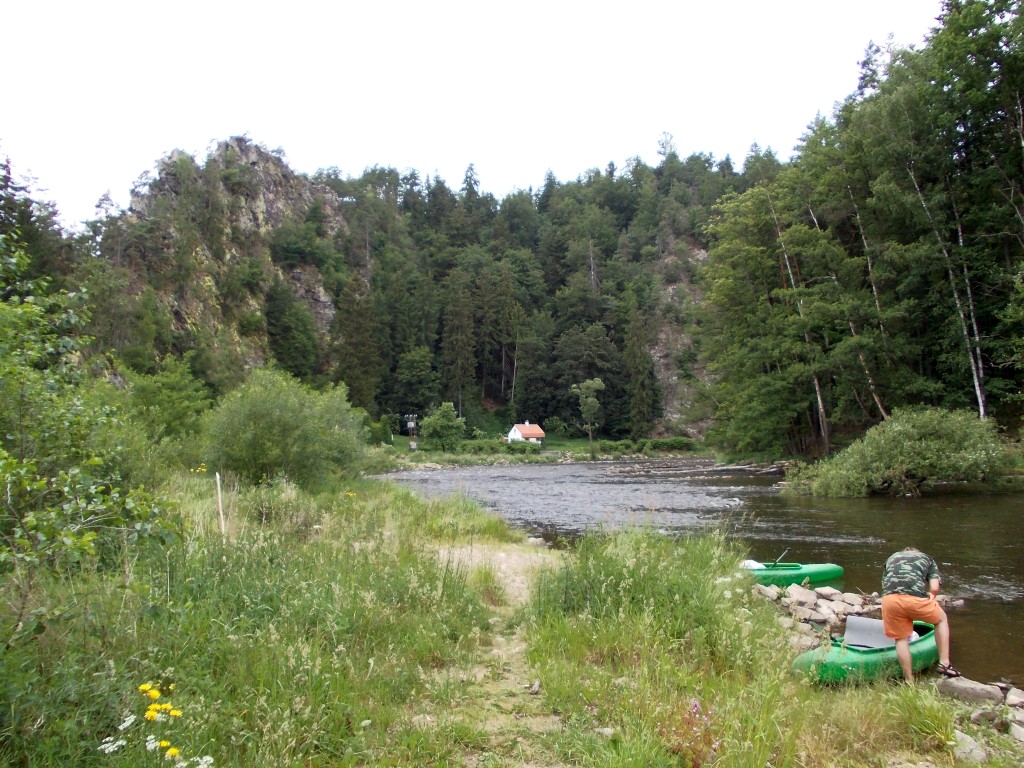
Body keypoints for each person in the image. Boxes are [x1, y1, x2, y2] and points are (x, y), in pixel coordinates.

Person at [881, 546, 960, 683]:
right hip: (915, 599)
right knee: (941, 619)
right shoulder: (927, 558)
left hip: (890, 601)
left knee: (901, 639)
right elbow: (934, 587)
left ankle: (908, 680)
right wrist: (930, 596)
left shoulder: (891, 558)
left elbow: (885, 584)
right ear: (917, 553)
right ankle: (944, 663)